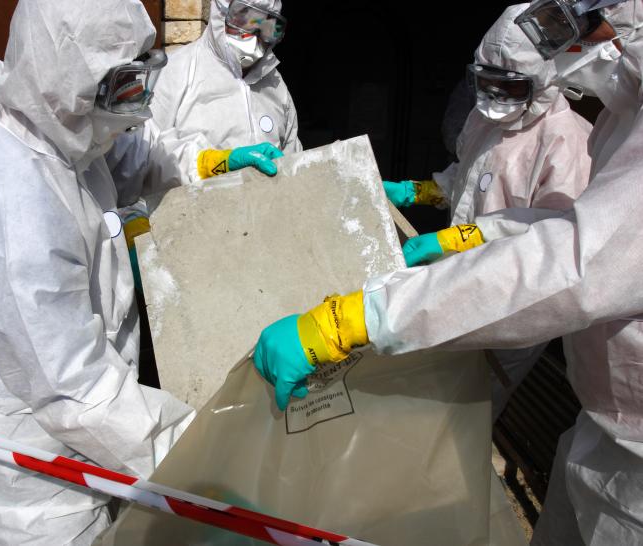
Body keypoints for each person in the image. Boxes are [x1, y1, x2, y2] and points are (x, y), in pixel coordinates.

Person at [0, 0, 283, 543]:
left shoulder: (50, 119)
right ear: (69, 81)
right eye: (124, 86)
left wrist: (204, 162)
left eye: (142, 76)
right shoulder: (14, 214)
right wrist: (209, 457)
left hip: (65, 417)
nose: (140, 105)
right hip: (25, 465)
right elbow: (79, 392)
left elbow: (125, 154)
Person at [253, 1, 643, 544]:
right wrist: (431, 200)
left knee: (452, 419)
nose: (573, 39)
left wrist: (362, 316)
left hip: (618, 447)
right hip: (600, 427)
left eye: (583, 20)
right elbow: (484, 183)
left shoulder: (568, 136)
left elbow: (570, 261)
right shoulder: (611, 114)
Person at [390, 4, 594, 420]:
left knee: (468, 412)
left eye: (512, 88)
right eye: (485, 83)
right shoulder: (483, 120)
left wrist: (455, 239)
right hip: (456, 279)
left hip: (511, 301)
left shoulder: (566, 141)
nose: (495, 97)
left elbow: (553, 241)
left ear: (543, 80)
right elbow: (467, 177)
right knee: (430, 391)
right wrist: (418, 191)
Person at [150, 0, 302, 171]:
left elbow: (292, 162)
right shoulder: (174, 72)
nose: (251, 36)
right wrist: (215, 165)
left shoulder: (275, 85)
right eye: (243, 19)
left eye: (266, 25)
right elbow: (145, 158)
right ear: (221, 12)